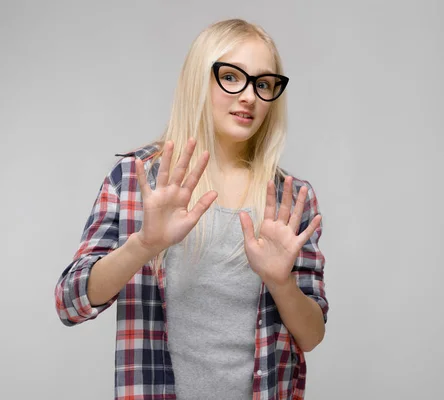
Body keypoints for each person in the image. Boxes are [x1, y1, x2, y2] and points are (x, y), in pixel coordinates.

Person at [54, 18, 328, 400]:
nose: (249, 96)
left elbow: (312, 336)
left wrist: (282, 283)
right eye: (232, 77)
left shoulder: (290, 198)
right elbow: (70, 303)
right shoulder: (136, 179)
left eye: (263, 84)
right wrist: (144, 245)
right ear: (200, 78)